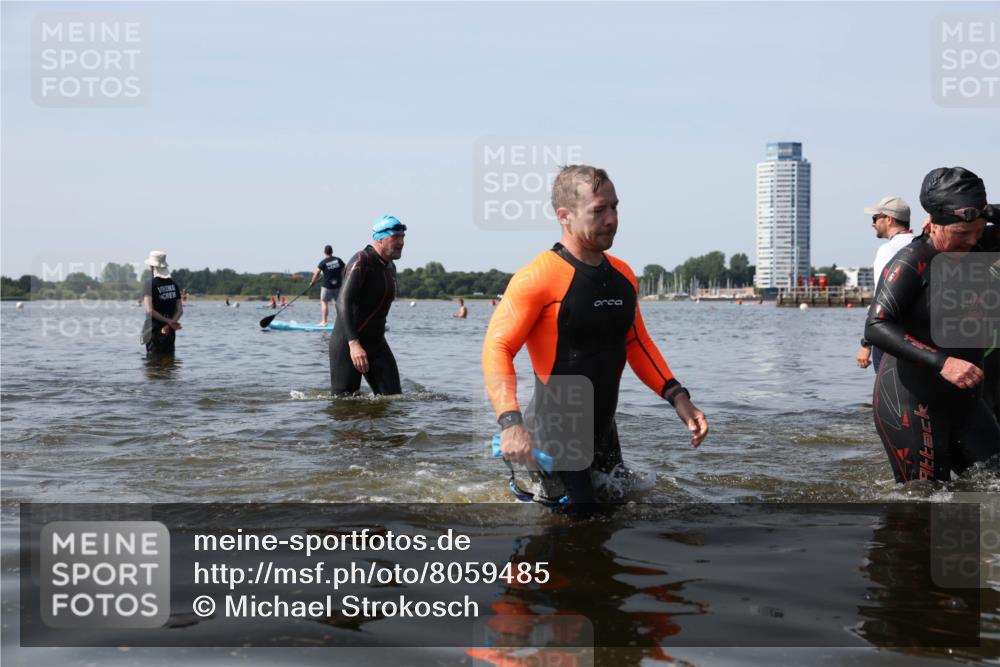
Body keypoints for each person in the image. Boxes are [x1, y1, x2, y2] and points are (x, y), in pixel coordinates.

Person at [482, 165, 708, 506]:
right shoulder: (537, 277)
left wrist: (678, 397)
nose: (611, 219)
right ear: (565, 216)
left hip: (603, 429)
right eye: (598, 211)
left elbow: (637, 343)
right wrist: (510, 422)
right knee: (578, 524)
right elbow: (497, 348)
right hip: (555, 428)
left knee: (619, 513)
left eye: (615, 207)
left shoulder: (622, 274)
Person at [865, 167, 999, 483]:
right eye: (961, 234)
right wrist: (943, 362)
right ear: (933, 224)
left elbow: (975, 229)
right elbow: (876, 325)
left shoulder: (981, 244)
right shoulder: (912, 262)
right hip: (912, 403)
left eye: (978, 230)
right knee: (926, 505)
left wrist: (985, 211)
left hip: (965, 403)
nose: (971, 241)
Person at [329, 215, 406, 395]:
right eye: (395, 237)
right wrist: (354, 344)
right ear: (379, 238)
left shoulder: (390, 267)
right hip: (348, 345)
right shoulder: (361, 261)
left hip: (377, 344)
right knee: (345, 407)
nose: (401, 242)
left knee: (393, 401)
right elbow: (342, 302)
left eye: (403, 237)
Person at [856, 196, 915, 371]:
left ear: (889, 219)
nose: (872, 224)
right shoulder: (920, 244)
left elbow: (881, 297)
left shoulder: (888, 250)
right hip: (918, 335)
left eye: (875, 218)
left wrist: (866, 344)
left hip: (891, 336)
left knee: (887, 394)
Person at [141, 250, 183, 355]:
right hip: (170, 331)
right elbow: (180, 310)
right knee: (169, 362)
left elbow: (150, 311)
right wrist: (170, 324)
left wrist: (167, 322)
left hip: (154, 331)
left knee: (153, 365)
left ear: (152, 267)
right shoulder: (174, 284)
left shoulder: (149, 284)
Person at [309, 245, 344, 327]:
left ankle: (324, 322)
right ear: (332, 251)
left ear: (325, 252)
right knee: (339, 304)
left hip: (327, 287)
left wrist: (312, 282)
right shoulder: (338, 260)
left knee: (324, 303)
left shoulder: (323, 262)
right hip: (338, 287)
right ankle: (342, 323)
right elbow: (344, 270)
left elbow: (316, 274)